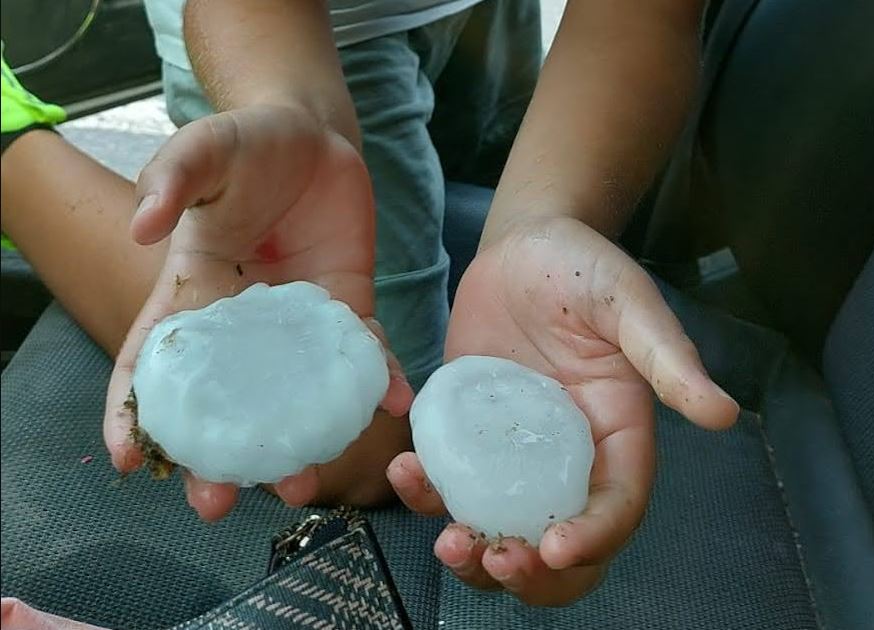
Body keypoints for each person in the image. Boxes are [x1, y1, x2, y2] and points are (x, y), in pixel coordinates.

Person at [0, 0, 738, 615]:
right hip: (277, 30)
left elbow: (641, 17)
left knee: (479, 165)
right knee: (368, 449)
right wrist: (290, 111)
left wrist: (542, 219)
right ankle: (10, 141)